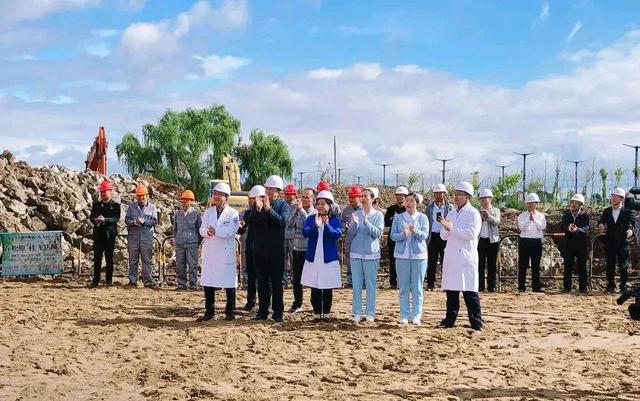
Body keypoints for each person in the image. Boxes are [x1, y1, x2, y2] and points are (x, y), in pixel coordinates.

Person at [438, 182, 483, 331]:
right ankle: (449, 320)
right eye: (455, 194)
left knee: (469, 291)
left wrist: (452, 228)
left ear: (467, 197)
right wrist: (445, 227)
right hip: (451, 256)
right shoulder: (451, 213)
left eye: (459, 194)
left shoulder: (473, 213)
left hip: (465, 257)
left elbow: (471, 234)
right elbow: (443, 236)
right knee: (451, 291)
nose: (456, 197)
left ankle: (476, 322)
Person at [197, 182, 240, 321]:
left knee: (229, 282)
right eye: (214, 194)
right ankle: (209, 311)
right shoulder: (208, 212)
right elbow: (201, 229)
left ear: (226, 197)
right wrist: (207, 232)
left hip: (225, 251)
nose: (215, 197)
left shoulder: (233, 213)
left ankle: (230, 311)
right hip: (210, 250)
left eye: (219, 194)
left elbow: (231, 231)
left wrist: (216, 231)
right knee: (208, 281)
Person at [252, 175, 289, 322]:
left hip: (276, 252)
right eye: (266, 188)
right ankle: (262, 311)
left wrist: (268, 210)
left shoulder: (283, 206)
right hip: (260, 250)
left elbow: (281, 222)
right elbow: (252, 223)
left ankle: (277, 313)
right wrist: (257, 209)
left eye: (270, 189)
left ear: (277, 191)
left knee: (276, 283)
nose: (267, 191)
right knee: (262, 283)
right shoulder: (259, 204)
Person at [301, 190, 342, 320]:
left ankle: (327, 312)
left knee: (327, 286)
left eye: (323, 204)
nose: (320, 206)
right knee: (315, 286)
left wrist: (327, 225)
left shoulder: (335, 220)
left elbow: (336, 234)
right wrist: (315, 226)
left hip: (328, 258)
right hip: (314, 257)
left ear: (329, 205)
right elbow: (305, 232)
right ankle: (317, 312)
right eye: (318, 203)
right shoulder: (311, 218)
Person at [390, 192, 429, 325]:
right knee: (404, 287)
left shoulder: (423, 218)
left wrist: (415, 231)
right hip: (402, 256)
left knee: (417, 287)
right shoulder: (398, 218)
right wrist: (403, 234)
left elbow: (425, 235)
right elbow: (393, 236)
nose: (409, 203)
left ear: (417, 203)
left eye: (412, 201)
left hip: (419, 257)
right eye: (407, 200)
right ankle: (404, 315)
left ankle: (416, 315)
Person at [347, 188, 384, 323]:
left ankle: (370, 313)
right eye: (361, 196)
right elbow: (350, 235)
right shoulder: (356, 214)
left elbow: (378, 233)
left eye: (366, 196)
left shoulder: (378, 215)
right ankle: (357, 312)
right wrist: (354, 225)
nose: (363, 198)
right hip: (356, 254)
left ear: (373, 199)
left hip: (371, 255)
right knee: (356, 285)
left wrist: (367, 223)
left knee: (370, 285)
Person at [598, 187, 634, 293]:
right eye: (612, 196)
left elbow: (633, 224)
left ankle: (623, 286)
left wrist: (630, 231)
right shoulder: (607, 211)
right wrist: (600, 224)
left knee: (623, 265)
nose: (613, 198)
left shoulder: (627, 212)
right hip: (610, 242)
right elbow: (601, 221)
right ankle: (611, 286)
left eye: (615, 196)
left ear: (621, 199)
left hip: (623, 242)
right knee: (610, 265)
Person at [287, 188, 317, 312]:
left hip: (309, 250)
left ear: (313, 199)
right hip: (297, 248)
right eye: (303, 197)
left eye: (307, 197)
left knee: (313, 278)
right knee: (297, 278)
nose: (304, 199)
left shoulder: (315, 213)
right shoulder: (296, 211)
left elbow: (308, 225)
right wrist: (295, 212)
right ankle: (297, 303)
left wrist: (300, 210)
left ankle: (315, 304)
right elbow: (288, 224)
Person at [124, 185, 158, 288]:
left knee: (147, 260)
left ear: (147, 195)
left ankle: (147, 281)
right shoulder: (131, 207)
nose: (141, 198)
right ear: (136, 197)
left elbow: (154, 221)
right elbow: (126, 220)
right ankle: (132, 281)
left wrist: (144, 222)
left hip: (146, 238)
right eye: (139, 196)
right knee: (133, 260)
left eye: (143, 196)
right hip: (134, 237)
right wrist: (133, 222)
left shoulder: (152, 207)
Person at [89, 180, 121, 287]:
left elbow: (116, 218)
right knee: (97, 258)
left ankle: (108, 280)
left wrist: (105, 220)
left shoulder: (115, 205)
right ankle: (96, 280)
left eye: (105, 191)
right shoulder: (96, 205)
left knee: (109, 258)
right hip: (98, 235)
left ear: (110, 192)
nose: (103, 194)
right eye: (101, 192)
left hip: (109, 235)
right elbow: (91, 217)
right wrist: (96, 219)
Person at [238, 185, 264, 311]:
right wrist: (242, 226)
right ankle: (251, 301)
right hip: (250, 248)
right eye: (250, 199)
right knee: (251, 277)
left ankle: (264, 304)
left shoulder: (266, 212)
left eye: (253, 199)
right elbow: (241, 231)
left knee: (263, 278)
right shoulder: (247, 213)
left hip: (263, 250)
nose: (251, 201)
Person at [426, 184, 454, 290]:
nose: (438, 195)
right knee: (431, 262)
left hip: (444, 237)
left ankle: (446, 285)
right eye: (436, 193)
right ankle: (430, 284)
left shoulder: (450, 208)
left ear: (444, 194)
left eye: (440, 193)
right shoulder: (429, 208)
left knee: (445, 261)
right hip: (432, 237)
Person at [172, 190, 202, 291]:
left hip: (192, 243)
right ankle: (181, 284)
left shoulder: (196, 214)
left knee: (192, 265)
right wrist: (176, 239)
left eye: (187, 200)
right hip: (180, 243)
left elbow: (200, 229)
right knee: (180, 265)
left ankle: (193, 285)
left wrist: (197, 242)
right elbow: (175, 229)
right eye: (184, 200)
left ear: (191, 201)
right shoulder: (177, 214)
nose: (185, 203)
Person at [517, 193, 546, 292]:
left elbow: (542, 227)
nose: (530, 205)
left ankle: (536, 287)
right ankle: (521, 287)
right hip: (525, 241)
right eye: (528, 203)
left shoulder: (541, 216)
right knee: (522, 265)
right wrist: (529, 220)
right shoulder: (521, 216)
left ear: (536, 204)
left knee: (536, 265)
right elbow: (521, 227)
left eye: (532, 203)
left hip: (536, 241)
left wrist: (534, 220)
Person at [561, 194, 590, 293]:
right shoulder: (566, 216)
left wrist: (577, 229)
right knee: (567, 266)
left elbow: (586, 229)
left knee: (582, 267)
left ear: (580, 205)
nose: (573, 204)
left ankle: (583, 288)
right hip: (569, 245)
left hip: (581, 246)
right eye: (572, 202)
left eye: (575, 203)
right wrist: (567, 228)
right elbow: (562, 227)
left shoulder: (584, 216)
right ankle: (567, 287)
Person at [477, 189, 501, 292]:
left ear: (490, 199)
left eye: (486, 198)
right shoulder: (477, 211)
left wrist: (488, 216)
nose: (484, 200)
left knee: (492, 264)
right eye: (482, 198)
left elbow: (497, 221)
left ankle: (492, 286)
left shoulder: (496, 210)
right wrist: (481, 218)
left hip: (492, 240)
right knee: (480, 264)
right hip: (480, 240)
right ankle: (480, 286)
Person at [384, 186, 408, 288]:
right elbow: (386, 223)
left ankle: (404, 282)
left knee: (405, 261)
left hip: (406, 238)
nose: (399, 198)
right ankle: (393, 282)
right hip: (393, 238)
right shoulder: (390, 209)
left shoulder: (408, 209)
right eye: (398, 195)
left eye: (402, 196)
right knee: (393, 261)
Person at [341, 185, 363, 287]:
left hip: (360, 239)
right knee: (350, 259)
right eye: (350, 197)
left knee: (361, 260)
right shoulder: (346, 210)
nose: (351, 199)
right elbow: (342, 223)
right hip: (349, 239)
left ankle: (361, 281)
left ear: (360, 197)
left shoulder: (364, 210)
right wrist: (344, 227)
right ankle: (350, 281)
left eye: (354, 197)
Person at [283, 183, 299, 287]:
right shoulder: (283, 205)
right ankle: (284, 279)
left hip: (294, 237)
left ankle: (295, 278)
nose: (287, 196)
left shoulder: (297, 206)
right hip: (283, 236)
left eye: (289, 194)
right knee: (284, 259)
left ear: (294, 195)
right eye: (286, 194)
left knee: (294, 259)